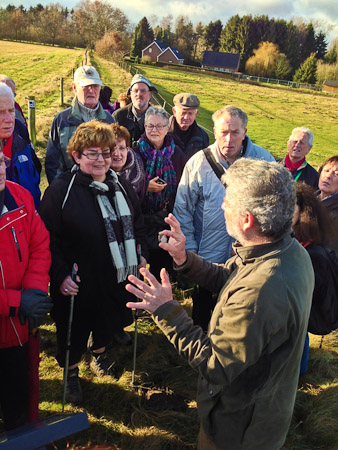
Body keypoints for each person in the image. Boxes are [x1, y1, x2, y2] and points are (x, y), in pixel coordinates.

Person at [125, 158, 314, 450]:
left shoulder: (261, 292)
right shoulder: (285, 249)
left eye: (227, 202)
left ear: (247, 218)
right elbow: (233, 278)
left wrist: (167, 310)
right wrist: (185, 259)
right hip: (263, 409)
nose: (223, 207)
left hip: (237, 429)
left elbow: (216, 365)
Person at [39, 120, 147, 405]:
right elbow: (45, 239)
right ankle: (71, 372)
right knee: (73, 328)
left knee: (106, 319)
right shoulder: (61, 191)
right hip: (76, 282)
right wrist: (60, 275)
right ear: (76, 155)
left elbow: (136, 223)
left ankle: (99, 354)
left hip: (114, 276)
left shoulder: (119, 184)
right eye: (93, 153)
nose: (101, 160)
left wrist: (140, 251)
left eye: (106, 153)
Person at [173, 105, 274, 330]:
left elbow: (272, 206)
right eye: (224, 132)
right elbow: (183, 209)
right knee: (202, 306)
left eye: (235, 132)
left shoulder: (263, 161)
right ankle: (202, 352)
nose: (229, 139)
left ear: (245, 132)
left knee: (240, 307)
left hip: (248, 256)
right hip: (207, 254)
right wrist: (190, 251)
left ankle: (230, 351)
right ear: (215, 132)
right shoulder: (198, 163)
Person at [0, 141, 51, 430]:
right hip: (15, 311)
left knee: (19, 393)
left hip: (18, 328)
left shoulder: (19, 196)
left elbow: (39, 244)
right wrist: (16, 302)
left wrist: (33, 291)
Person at [133, 106, 187, 279]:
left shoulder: (177, 154)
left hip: (166, 217)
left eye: (159, 126)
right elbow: (126, 185)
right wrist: (145, 187)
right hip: (141, 217)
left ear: (166, 128)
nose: (154, 130)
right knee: (139, 261)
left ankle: (160, 300)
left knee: (161, 265)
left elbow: (183, 185)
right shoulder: (134, 153)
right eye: (150, 126)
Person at [45, 65, 115, 184]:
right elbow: (53, 164)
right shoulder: (61, 120)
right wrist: (62, 192)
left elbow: (113, 157)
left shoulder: (109, 120)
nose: (91, 91)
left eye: (95, 86)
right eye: (86, 86)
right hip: (70, 189)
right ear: (74, 88)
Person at [293, 182, 336, 373]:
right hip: (304, 310)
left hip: (308, 312)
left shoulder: (311, 251)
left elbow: (306, 300)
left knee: (298, 331)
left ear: (301, 212)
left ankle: (298, 371)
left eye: (288, 208)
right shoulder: (300, 235)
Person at [0, 82, 41, 207]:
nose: (9, 119)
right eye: (0, 112)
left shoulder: (20, 130)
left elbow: (35, 169)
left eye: (11, 111)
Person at [113, 74, 158, 146]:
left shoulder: (159, 117)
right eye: (135, 91)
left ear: (150, 94)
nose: (139, 94)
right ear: (130, 94)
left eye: (143, 91)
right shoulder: (118, 116)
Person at [110, 123, 146, 202]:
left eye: (122, 148)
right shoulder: (99, 173)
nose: (117, 154)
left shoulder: (137, 167)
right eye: (112, 149)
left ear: (128, 149)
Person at [169, 93, 209, 159]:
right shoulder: (163, 132)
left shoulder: (203, 137)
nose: (186, 117)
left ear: (196, 114)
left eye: (190, 113)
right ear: (174, 111)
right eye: (183, 113)